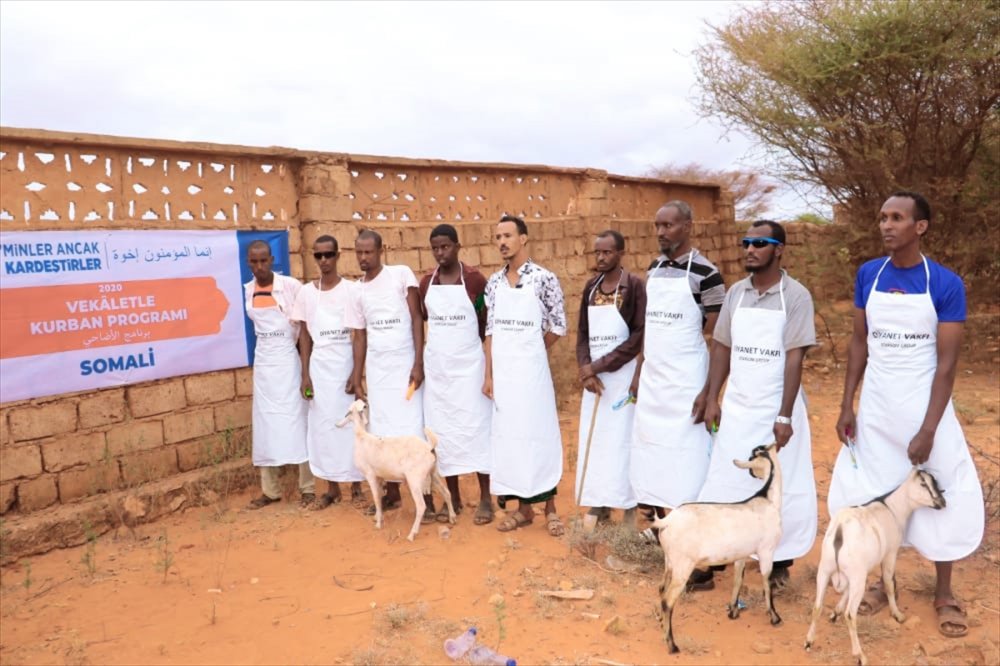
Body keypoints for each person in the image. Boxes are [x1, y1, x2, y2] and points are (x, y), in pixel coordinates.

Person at [830, 191, 983, 638]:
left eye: (897, 217)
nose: (886, 225)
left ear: (920, 227)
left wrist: (929, 428)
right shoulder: (868, 275)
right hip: (877, 410)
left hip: (925, 408)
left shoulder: (945, 283)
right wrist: (847, 403)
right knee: (878, 495)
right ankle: (883, 582)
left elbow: (947, 365)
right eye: (883, 217)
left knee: (940, 489)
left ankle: (944, 592)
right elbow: (860, 342)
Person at [698, 220, 817, 590]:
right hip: (739, 404)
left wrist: (784, 415)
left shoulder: (796, 296)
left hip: (776, 407)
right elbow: (722, 347)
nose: (750, 249)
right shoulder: (736, 293)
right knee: (726, 477)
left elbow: (794, 358)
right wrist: (713, 397)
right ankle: (715, 555)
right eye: (747, 242)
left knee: (778, 483)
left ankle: (778, 561)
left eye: (760, 243)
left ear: (778, 249)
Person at [629, 201, 725, 537]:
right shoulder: (654, 268)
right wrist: (639, 372)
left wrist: (709, 392)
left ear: (687, 226)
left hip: (687, 379)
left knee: (688, 456)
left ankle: (693, 531)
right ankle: (662, 528)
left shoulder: (707, 274)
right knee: (654, 450)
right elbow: (649, 327)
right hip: (654, 379)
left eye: (668, 226)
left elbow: (717, 336)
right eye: (657, 226)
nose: (661, 232)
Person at [483, 215, 567, 537]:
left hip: (532, 375)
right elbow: (490, 332)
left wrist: (532, 350)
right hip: (504, 376)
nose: (502, 242)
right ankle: (523, 510)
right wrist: (489, 375)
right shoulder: (494, 283)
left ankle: (551, 509)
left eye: (507, 235)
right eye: (497, 237)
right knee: (511, 437)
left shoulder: (544, 279)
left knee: (538, 434)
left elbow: (558, 325)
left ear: (523, 238)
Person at [418, 224, 495, 526]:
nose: (440, 253)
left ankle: (486, 498)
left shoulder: (475, 280)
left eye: (445, 246)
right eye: (435, 248)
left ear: (457, 246)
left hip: (470, 370)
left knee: (477, 430)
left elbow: (484, 320)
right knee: (443, 434)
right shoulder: (427, 283)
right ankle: (454, 498)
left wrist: (485, 367)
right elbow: (426, 318)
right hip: (439, 373)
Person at [346, 229, 425, 515]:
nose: (363, 258)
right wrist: (358, 377)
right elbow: (360, 336)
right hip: (378, 371)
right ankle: (392, 494)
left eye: (368, 252)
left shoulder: (401, 275)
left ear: (381, 251)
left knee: (411, 428)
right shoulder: (356, 290)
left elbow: (416, 318)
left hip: (405, 366)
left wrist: (418, 362)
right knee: (383, 430)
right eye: (359, 252)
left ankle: (425, 498)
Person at [575, 230, 645, 525]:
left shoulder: (634, 286)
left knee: (623, 440)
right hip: (595, 381)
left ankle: (628, 505)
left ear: (621, 253)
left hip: (622, 376)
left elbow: (639, 336)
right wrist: (585, 369)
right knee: (597, 440)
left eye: (607, 252)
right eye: (597, 252)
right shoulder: (591, 287)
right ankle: (600, 502)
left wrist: (600, 365)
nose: (601, 258)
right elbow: (582, 332)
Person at [291, 235, 364, 510]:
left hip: (345, 364)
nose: (324, 260)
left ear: (338, 255)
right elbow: (304, 337)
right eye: (318, 255)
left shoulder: (351, 290)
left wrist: (356, 374)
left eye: (328, 255)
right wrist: (305, 375)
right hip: (320, 368)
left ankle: (356, 484)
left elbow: (359, 335)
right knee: (323, 428)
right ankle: (332, 488)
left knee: (352, 425)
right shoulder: (306, 293)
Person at [243, 240, 314, 509]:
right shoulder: (248, 290)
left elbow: (304, 330)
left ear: (272, 260)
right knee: (266, 425)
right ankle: (270, 490)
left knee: (298, 422)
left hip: (288, 361)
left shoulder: (291, 287)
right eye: (254, 261)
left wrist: (306, 372)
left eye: (264, 260)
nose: (259, 266)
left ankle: (307, 488)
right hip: (264, 364)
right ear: (248, 263)